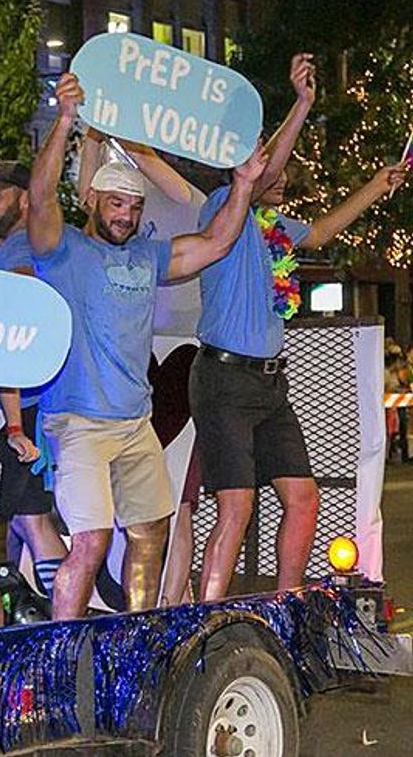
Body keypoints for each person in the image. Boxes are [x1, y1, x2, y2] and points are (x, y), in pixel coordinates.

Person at [27, 73, 268, 619]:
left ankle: (138, 636)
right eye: (115, 204)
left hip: (135, 424)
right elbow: (40, 199)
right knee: (88, 543)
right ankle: (66, 652)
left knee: (151, 531)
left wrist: (246, 183)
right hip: (80, 424)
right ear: (93, 201)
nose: (125, 216)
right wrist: (66, 123)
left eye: (133, 208)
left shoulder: (146, 256)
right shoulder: (63, 252)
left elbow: (215, 242)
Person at [194, 155, 410, 600]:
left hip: (270, 383)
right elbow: (253, 180)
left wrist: (374, 183)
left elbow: (320, 232)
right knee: (237, 507)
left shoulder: (274, 228)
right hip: (224, 377)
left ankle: (285, 607)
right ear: (246, 172)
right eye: (275, 170)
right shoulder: (223, 209)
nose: (284, 179)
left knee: (305, 500)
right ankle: (206, 620)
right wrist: (303, 103)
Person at [0, 160, 68, 601]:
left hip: (20, 409)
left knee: (21, 521)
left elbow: (24, 297)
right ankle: (56, 614)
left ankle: (60, 616)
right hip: (22, 405)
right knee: (24, 521)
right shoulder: (13, 247)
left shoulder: (22, 249)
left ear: (25, 199)